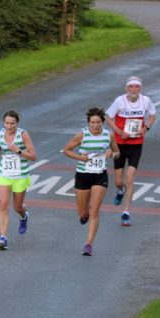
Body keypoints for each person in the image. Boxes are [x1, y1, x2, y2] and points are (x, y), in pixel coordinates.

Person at [63, 108, 117, 256]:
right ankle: (83, 215)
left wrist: (111, 154)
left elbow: (117, 153)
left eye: (98, 122)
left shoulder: (109, 135)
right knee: (83, 212)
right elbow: (67, 150)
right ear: (88, 123)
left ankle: (89, 244)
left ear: (103, 122)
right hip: (83, 174)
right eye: (92, 123)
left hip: (100, 175)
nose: (95, 125)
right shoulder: (82, 135)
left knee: (94, 208)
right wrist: (80, 158)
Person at [104, 75, 157, 226]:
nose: (134, 90)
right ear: (126, 88)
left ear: (140, 88)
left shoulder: (145, 101)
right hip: (119, 144)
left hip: (136, 144)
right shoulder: (120, 101)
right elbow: (107, 117)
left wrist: (146, 127)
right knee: (119, 180)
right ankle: (120, 191)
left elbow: (153, 115)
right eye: (131, 87)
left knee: (130, 178)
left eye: (137, 87)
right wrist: (118, 132)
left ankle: (126, 212)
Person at [0, 109, 37, 249]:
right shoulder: (0, 134)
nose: (9, 126)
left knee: (17, 206)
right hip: (4, 173)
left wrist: (19, 151)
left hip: (20, 175)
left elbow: (33, 156)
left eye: (12, 124)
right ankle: (3, 238)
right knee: (3, 205)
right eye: (7, 123)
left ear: (17, 123)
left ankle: (24, 215)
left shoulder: (23, 135)